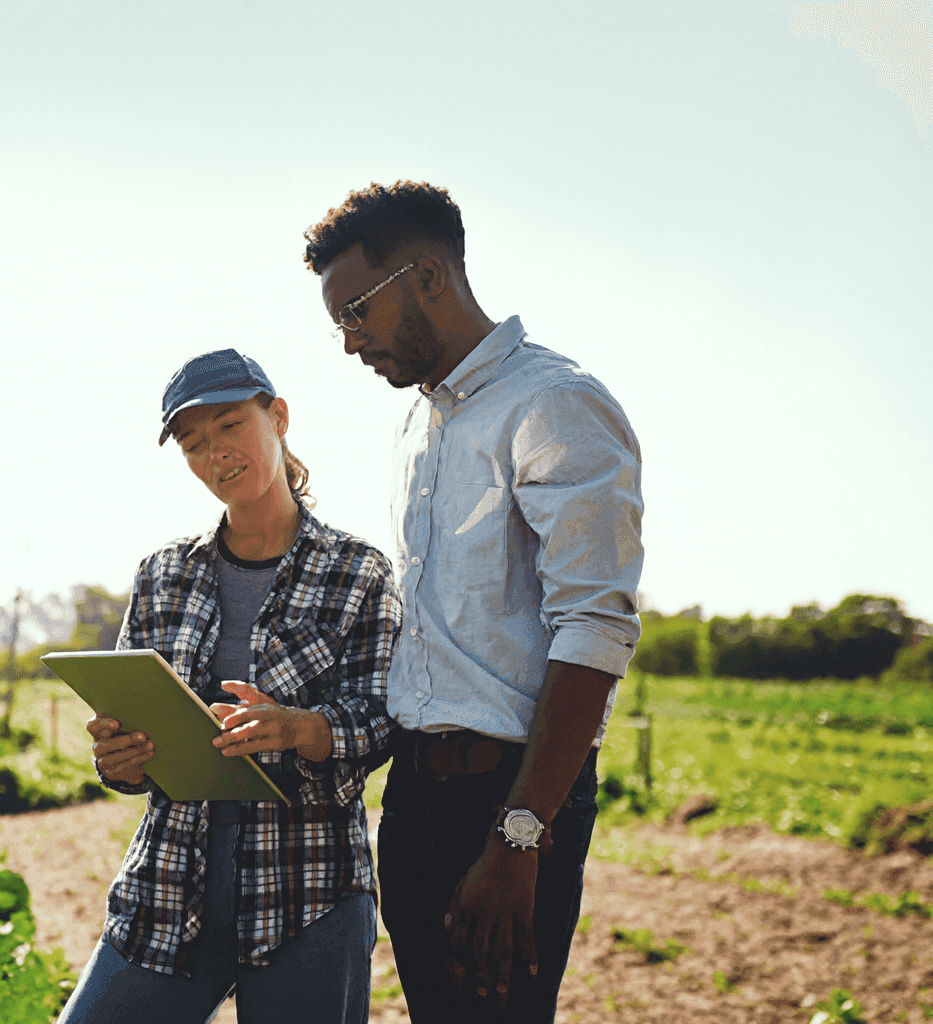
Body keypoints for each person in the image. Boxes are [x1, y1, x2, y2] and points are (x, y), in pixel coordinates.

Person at [303, 181, 644, 1023]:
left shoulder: (553, 403)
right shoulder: (417, 426)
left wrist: (518, 836)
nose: (349, 344)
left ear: (426, 276)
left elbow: (595, 628)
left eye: (356, 313)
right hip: (414, 798)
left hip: (509, 804)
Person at [57, 348, 401, 1024]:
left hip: (309, 891)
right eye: (193, 443)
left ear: (278, 418)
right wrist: (118, 760)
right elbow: (132, 728)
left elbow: (386, 716)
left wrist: (307, 729)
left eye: (229, 426)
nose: (215, 454)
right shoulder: (161, 575)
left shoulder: (359, 571)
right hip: (170, 886)